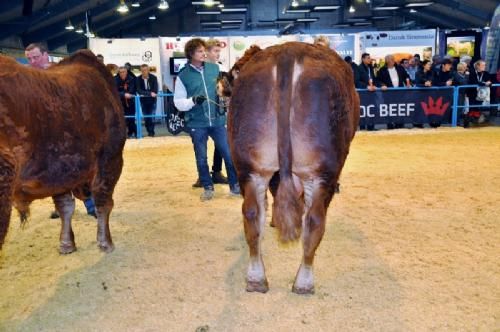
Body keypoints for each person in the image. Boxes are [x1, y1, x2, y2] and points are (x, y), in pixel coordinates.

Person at [24, 43, 96, 219]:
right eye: (29, 58)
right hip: (44, 134)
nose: (33, 61)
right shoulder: (29, 78)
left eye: (36, 57)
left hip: (68, 132)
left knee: (77, 168)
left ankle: (91, 204)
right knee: (54, 172)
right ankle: (61, 205)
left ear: (46, 54)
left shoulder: (62, 73)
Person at [173, 38, 240, 201]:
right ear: (191, 54)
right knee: (201, 158)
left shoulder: (215, 68)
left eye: (204, 51)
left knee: (228, 154)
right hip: (197, 123)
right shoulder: (183, 76)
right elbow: (178, 103)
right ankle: (208, 187)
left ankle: (235, 186)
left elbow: (224, 89)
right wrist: (193, 101)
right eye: (200, 51)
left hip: (218, 120)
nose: (204, 54)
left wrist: (226, 96)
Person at [190, 38, 229, 187]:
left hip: (219, 111)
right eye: (215, 51)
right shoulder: (198, 69)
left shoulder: (221, 68)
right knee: (201, 146)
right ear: (206, 52)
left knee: (221, 144)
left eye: (219, 51)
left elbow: (226, 90)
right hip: (200, 113)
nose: (218, 54)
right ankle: (203, 176)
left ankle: (217, 171)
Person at [376, 54, 411, 129]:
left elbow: (406, 76)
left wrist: (408, 82)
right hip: (388, 94)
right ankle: (390, 124)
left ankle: (400, 124)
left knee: (400, 108)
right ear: (387, 61)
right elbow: (377, 80)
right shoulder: (382, 70)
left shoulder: (400, 68)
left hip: (400, 93)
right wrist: (382, 85)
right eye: (391, 60)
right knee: (390, 109)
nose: (393, 61)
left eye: (393, 59)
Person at [355, 53, 378, 130]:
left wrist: (377, 85)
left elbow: (373, 79)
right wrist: (366, 86)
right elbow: (357, 81)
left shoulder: (370, 67)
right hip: (363, 93)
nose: (369, 59)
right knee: (363, 111)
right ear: (363, 59)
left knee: (372, 109)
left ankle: (371, 127)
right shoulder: (358, 68)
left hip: (372, 93)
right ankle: (362, 127)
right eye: (368, 58)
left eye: (369, 57)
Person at [466, 60, 492, 127]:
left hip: (481, 95)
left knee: (478, 108)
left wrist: (489, 83)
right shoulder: (472, 73)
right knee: (471, 108)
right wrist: (484, 83)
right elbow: (474, 81)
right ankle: (468, 121)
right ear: (477, 66)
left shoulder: (486, 73)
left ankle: (476, 121)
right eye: (483, 65)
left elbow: (489, 82)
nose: (484, 66)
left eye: (485, 65)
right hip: (472, 93)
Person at [136, 64, 159, 137]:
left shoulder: (153, 78)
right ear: (141, 71)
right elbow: (139, 90)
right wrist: (149, 93)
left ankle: (151, 133)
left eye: (146, 70)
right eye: (143, 70)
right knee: (146, 117)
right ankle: (149, 131)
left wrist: (150, 93)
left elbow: (155, 90)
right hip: (143, 101)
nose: (144, 72)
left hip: (152, 101)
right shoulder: (138, 79)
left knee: (152, 117)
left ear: (148, 70)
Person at [115, 66, 137, 138]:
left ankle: (133, 132)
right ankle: (122, 135)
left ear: (126, 72)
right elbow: (114, 91)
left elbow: (132, 91)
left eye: (123, 72)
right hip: (119, 103)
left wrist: (125, 93)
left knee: (131, 119)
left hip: (130, 103)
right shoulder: (115, 79)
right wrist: (124, 94)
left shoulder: (131, 79)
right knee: (120, 120)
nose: (122, 74)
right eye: (120, 72)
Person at [453, 62, 470, 127]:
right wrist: (467, 75)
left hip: (463, 93)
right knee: (458, 108)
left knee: (462, 108)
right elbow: (463, 82)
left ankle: (459, 121)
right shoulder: (456, 74)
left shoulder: (463, 74)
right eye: (465, 66)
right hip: (457, 94)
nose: (467, 68)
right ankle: (456, 121)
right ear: (462, 67)